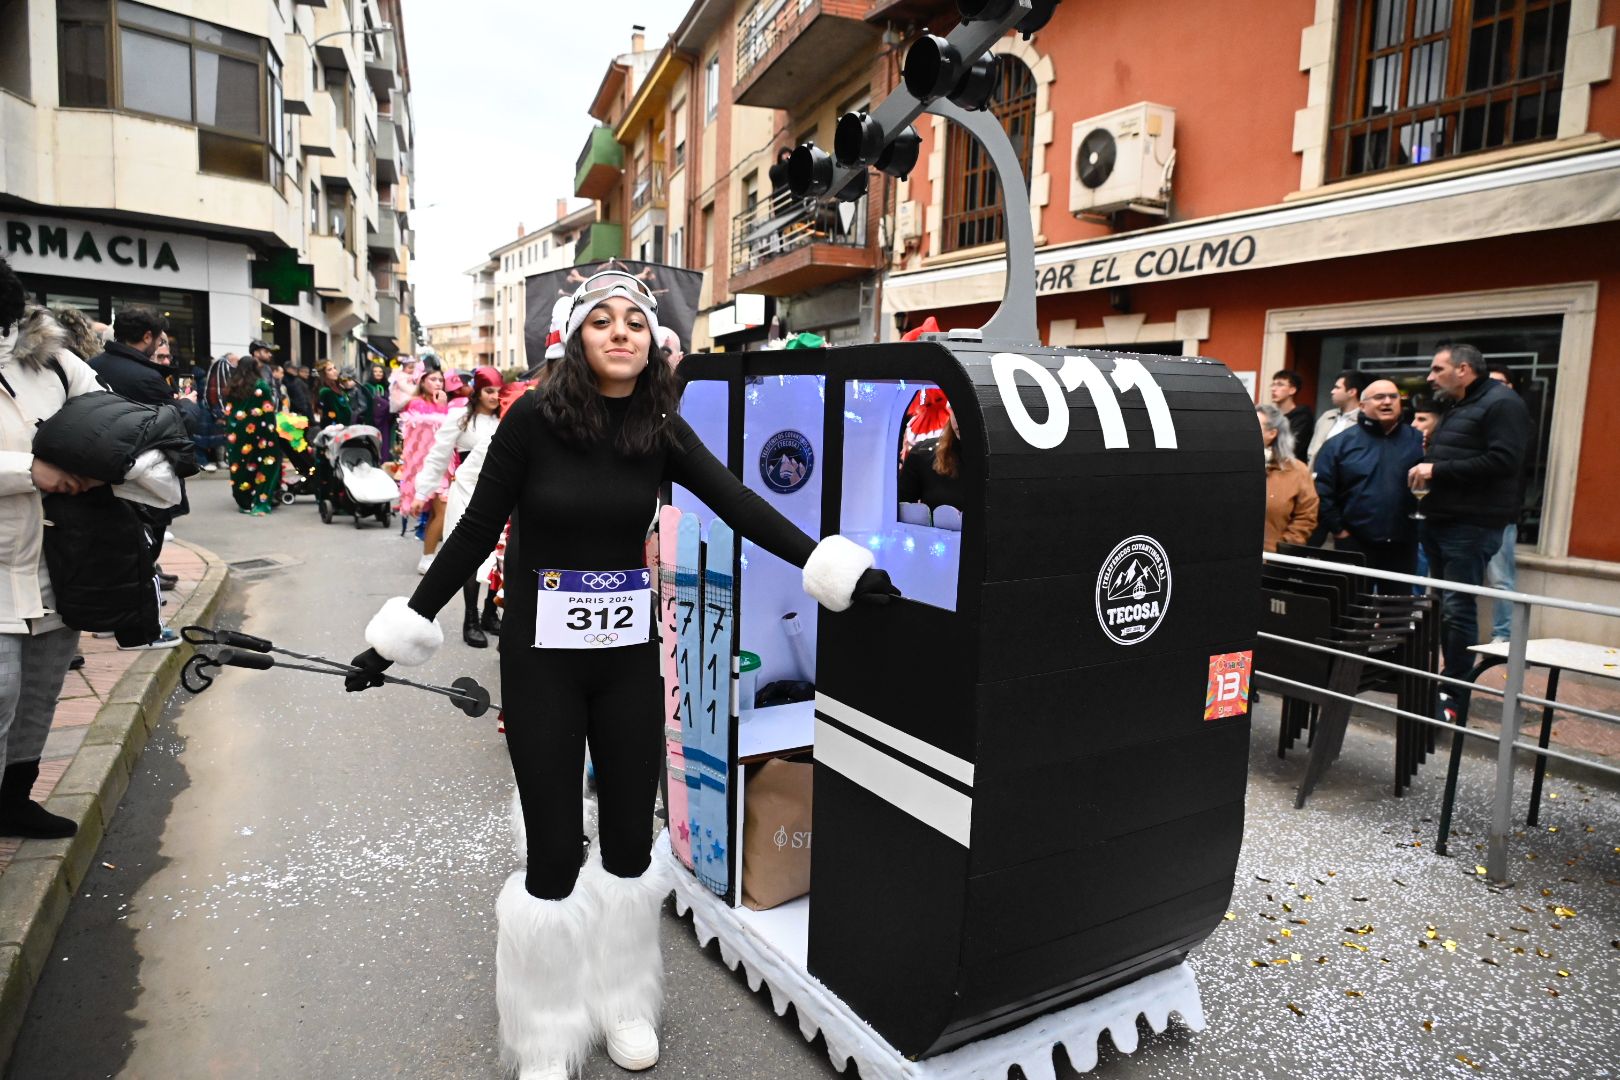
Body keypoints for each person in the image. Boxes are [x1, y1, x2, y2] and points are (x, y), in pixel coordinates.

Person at [343, 271, 898, 1080]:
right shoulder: (534, 418)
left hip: (629, 664)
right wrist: (396, 636)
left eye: (634, 322)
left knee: (631, 847)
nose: (619, 334)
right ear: (575, 336)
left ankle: (625, 1000)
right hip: (541, 667)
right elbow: (472, 533)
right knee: (555, 858)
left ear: (653, 340)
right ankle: (546, 1032)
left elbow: (736, 502)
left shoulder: (659, 424)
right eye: (601, 321)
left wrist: (829, 565)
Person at [0, 255, 107, 838]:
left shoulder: (56, 364)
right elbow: (34, 465)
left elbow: (110, 420)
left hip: (55, 558)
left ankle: (14, 799)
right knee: (1, 691)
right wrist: (28, 469)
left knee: (41, 688)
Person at [1407, 343, 1531, 694]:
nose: (1430, 377)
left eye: (1437, 369)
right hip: (1441, 518)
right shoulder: (1460, 404)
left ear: (1463, 369)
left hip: (1471, 524)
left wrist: (1437, 469)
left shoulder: (1503, 403)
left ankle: (1455, 689)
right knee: (1444, 603)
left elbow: (1504, 461)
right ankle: (1443, 680)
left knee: (1457, 607)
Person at [90, 308, 187, 632]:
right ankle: (138, 626)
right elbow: (173, 425)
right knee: (141, 553)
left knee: (107, 551)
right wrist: (186, 407)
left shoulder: (92, 366)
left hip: (95, 471)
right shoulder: (146, 377)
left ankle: (106, 618)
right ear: (147, 337)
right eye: (158, 339)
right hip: (142, 477)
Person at [412, 366, 504, 647]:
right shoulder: (459, 419)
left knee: (499, 558)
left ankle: (490, 613)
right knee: (471, 560)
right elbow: (438, 456)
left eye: (499, 391)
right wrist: (421, 492)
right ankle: (471, 619)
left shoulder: (508, 418)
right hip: (466, 493)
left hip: (501, 494)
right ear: (476, 392)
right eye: (489, 391)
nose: (495, 397)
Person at [1312, 379, 1425, 578]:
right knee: (1354, 605)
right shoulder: (1339, 444)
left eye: (1393, 396)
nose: (1387, 402)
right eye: (1379, 397)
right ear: (1362, 406)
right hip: (1354, 541)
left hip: (1403, 543)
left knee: (1397, 606)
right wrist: (1338, 530)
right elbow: (1322, 490)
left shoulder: (1417, 440)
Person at [1483, 361, 1526, 642]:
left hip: (1502, 514)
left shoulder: (1518, 420)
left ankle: (1503, 635)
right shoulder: (1476, 417)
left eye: (1502, 383)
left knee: (1501, 580)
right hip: (1468, 514)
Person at [397, 369, 451, 573]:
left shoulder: (444, 405)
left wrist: (443, 406)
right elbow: (417, 441)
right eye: (433, 379)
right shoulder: (415, 404)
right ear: (422, 381)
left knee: (437, 513)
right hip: (425, 467)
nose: (438, 383)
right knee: (442, 513)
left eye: (441, 380)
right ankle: (427, 558)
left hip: (443, 466)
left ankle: (428, 556)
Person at [223, 356, 281, 515]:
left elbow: (228, 410)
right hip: (259, 431)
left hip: (236, 432)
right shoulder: (261, 385)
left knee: (240, 464)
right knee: (267, 462)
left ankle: (244, 500)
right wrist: (272, 430)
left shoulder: (232, 386)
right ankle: (260, 501)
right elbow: (268, 409)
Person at [1258, 402, 1317, 552]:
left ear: (1272, 433)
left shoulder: (1297, 471)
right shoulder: (1231, 465)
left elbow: (1305, 518)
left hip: (1271, 560)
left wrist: (1283, 548)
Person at [897, 402, 965, 513]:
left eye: (967, 411)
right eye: (955, 409)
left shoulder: (1000, 460)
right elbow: (900, 510)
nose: (959, 418)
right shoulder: (922, 454)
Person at [1307, 370, 1369, 467]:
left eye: (1337, 388)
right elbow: (1312, 451)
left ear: (1351, 392)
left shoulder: (1365, 421)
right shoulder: (1327, 416)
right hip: (1316, 477)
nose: (1332, 391)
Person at [1268, 370, 1314, 463]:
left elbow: (1292, 447)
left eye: (1280, 385)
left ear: (1292, 390)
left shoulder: (1303, 417)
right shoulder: (1270, 416)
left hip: (1291, 469)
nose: (1273, 389)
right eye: (1273, 384)